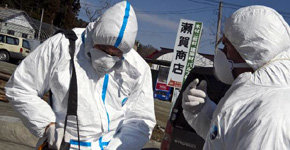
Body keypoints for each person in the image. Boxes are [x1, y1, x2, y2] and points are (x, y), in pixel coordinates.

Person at [5, 1, 156, 150]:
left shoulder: (137, 69)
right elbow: (20, 87)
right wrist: (47, 124)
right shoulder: (63, 46)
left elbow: (141, 118)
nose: (107, 57)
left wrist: (119, 147)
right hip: (63, 144)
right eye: (103, 48)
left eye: (115, 54)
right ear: (94, 34)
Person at [182, 5, 290, 149]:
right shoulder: (257, 98)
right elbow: (225, 138)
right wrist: (202, 111)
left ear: (249, 52)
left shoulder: (268, 115)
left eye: (227, 46)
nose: (223, 53)